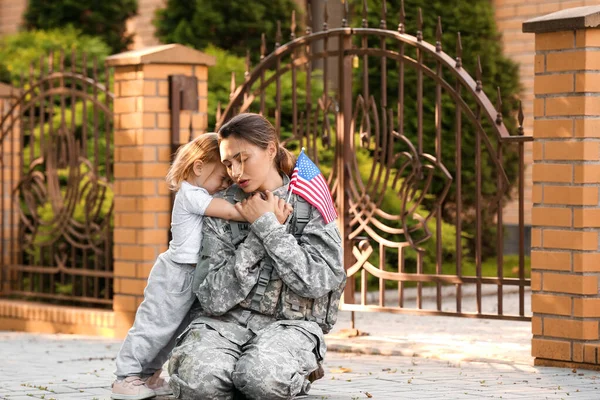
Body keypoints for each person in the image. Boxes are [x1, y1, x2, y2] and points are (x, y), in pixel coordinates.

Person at [168, 113, 346, 400]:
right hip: (225, 323)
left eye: (243, 158)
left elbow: (317, 281)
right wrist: (255, 238)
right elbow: (212, 297)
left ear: (271, 149)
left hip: (289, 325)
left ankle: (272, 375)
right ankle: (237, 376)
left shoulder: (309, 203)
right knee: (198, 383)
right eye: (228, 163)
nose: (236, 172)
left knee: (260, 379)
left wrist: (268, 227)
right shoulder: (221, 207)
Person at [111, 133, 291, 400]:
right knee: (155, 325)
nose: (223, 186)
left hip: (194, 275)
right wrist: (263, 212)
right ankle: (125, 377)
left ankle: (147, 376)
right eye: (221, 178)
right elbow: (230, 211)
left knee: (174, 330)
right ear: (198, 167)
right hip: (176, 274)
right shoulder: (190, 194)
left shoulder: (200, 191)